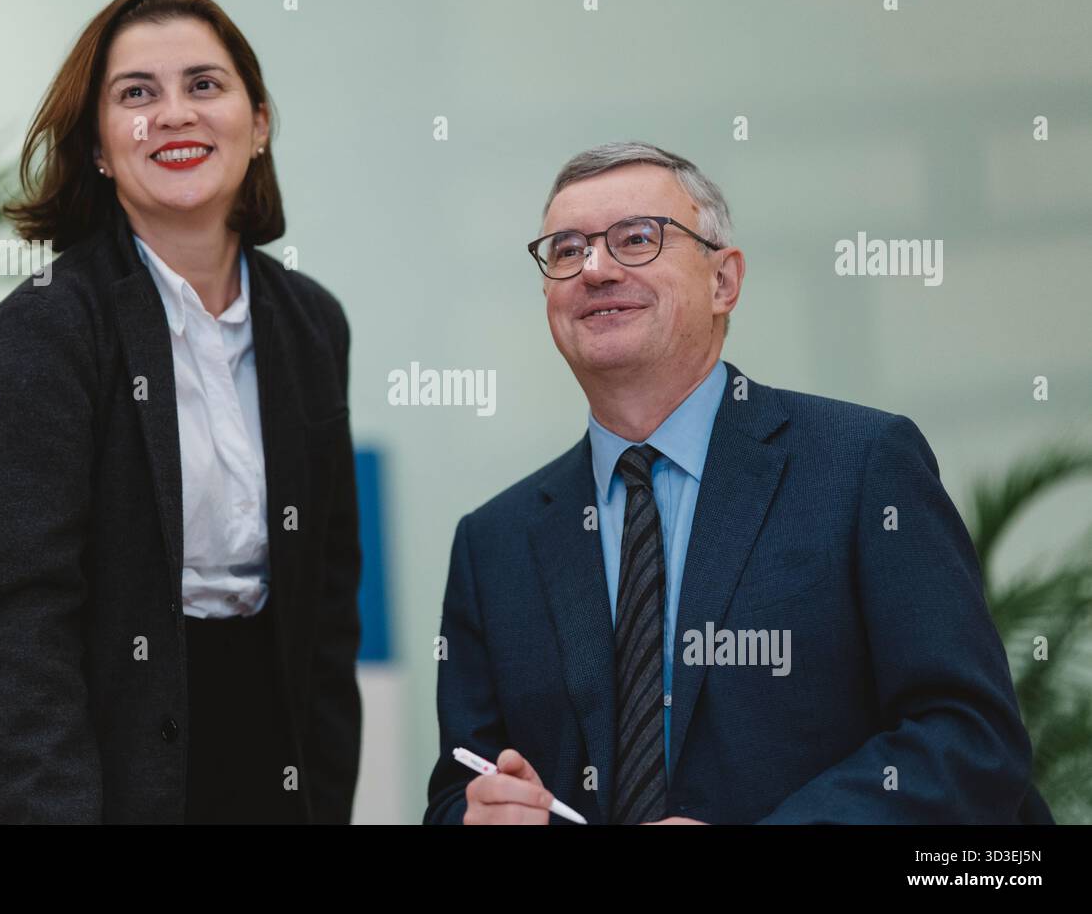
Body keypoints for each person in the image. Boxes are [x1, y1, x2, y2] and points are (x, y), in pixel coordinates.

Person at [424, 141, 1051, 824]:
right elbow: (460, 781)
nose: (596, 269)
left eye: (636, 238)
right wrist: (477, 816)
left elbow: (969, 737)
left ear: (723, 281)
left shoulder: (864, 466)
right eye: (567, 250)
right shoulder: (494, 543)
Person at [0, 0, 362, 824]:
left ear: (259, 122)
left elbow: (327, 608)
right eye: (137, 94)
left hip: (270, 761)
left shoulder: (312, 325)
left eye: (205, 85)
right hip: (94, 764)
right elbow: (19, 635)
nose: (174, 115)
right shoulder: (41, 333)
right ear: (97, 145)